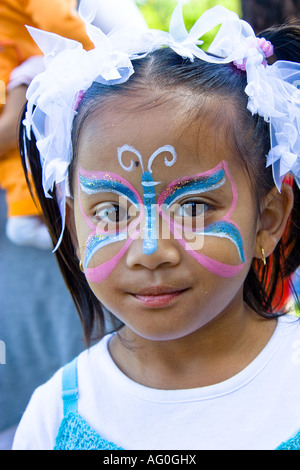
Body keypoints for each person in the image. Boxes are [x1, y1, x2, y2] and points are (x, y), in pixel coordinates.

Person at [12, 2, 300, 450]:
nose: (150, 250)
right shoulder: (55, 418)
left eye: (192, 208)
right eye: (111, 212)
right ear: (73, 224)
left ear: (268, 219)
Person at [0, 0, 94, 248]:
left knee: (23, 228)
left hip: (26, 79)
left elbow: (58, 21)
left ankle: (88, 244)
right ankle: (87, 244)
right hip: (26, 79)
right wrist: (98, 56)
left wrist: (98, 58)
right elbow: (58, 21)